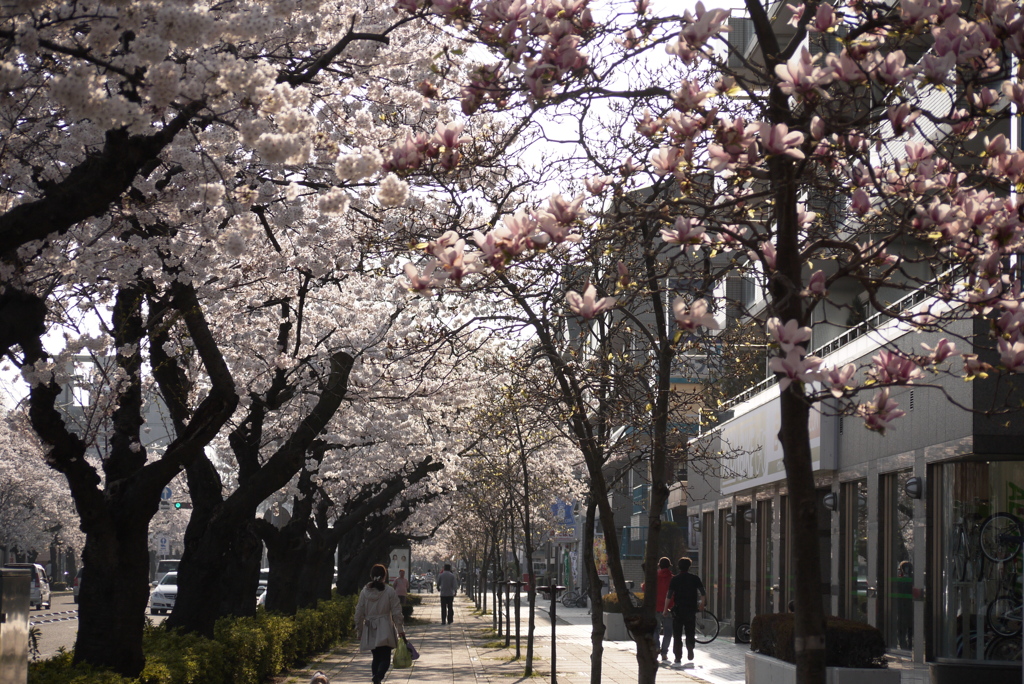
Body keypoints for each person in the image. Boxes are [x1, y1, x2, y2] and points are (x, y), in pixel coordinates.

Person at [354, 564, 405, 684]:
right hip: (385, 626)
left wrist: (359, 630)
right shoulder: (389, 591)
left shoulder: (364, 592)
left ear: (371, 576)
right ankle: (378, 676)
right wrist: (400, 629)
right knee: (385, 657)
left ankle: (375, 677)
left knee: (376, 657)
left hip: (370, 627)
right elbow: (397, 611)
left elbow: (358, 612)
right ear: (384, 576)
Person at [663, 556, 705, 669]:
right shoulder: (695, 578)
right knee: (690, 630)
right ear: (689, 566)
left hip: (678, 610)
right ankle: (690, 646)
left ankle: (678, 656)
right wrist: (701, 604)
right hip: (691, 609)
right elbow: (703, 592)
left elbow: (669, 595)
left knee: (677, 633)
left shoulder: (675, 579)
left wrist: (665, 609)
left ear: (679, 566)